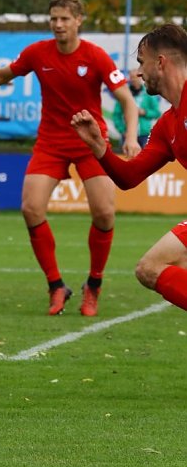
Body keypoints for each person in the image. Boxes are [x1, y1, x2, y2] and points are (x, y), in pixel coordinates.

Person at [0, 0, 140, 317]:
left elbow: (127, 100)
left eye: (65, 19)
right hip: (51, 142)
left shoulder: (96, 57)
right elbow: (2, 75)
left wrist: (132, 137)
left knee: (105, 214)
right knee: (31, 208)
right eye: (53, 19)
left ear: (79, 21)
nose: (58, 24)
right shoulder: (38, 53)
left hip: (90, 143)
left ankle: (93, 285)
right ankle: (56, 285)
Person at [72, 23, 187, 315]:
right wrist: (100, 147)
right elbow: (129, 177)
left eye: (140, 63)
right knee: (150, 268)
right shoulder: (166, 125)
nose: (137, 73)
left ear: (160, 62)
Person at [113, 69, 160, 149]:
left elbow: (157, 113)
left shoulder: (148, 94)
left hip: (144, 134)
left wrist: (145, 112)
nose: (134, 79)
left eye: (136, 77)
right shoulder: (124, 94)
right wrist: (122, 130)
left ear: (141, 78)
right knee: (127, 158)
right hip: (127, 134)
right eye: (132, 77)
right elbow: (116, 115)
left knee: (146, 158)